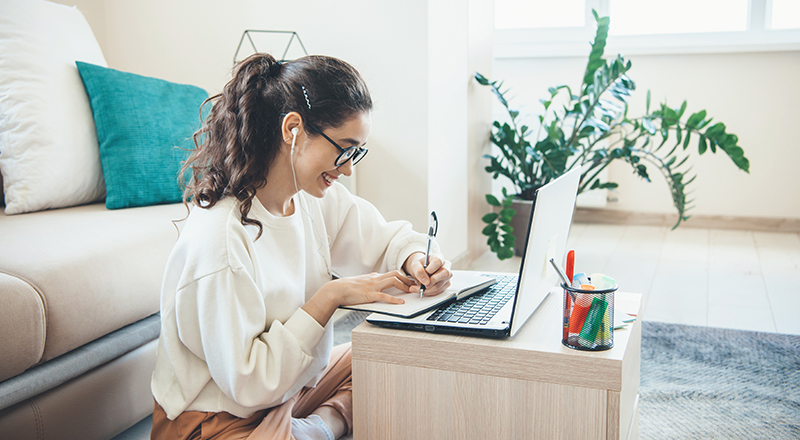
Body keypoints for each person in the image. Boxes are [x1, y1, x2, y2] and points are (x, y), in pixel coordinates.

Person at [149, 52, 453, 440]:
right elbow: (249, 385)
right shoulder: (221, 241)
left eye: (357, 152)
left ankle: (316, 426)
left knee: (396, 359)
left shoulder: (310, 198)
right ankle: (317, 426)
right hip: (216, 417)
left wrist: (417, 259)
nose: (347, 168)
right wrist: (328, 299)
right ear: (292, 128)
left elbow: (387, 239)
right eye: (343, 148)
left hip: (286, 392)